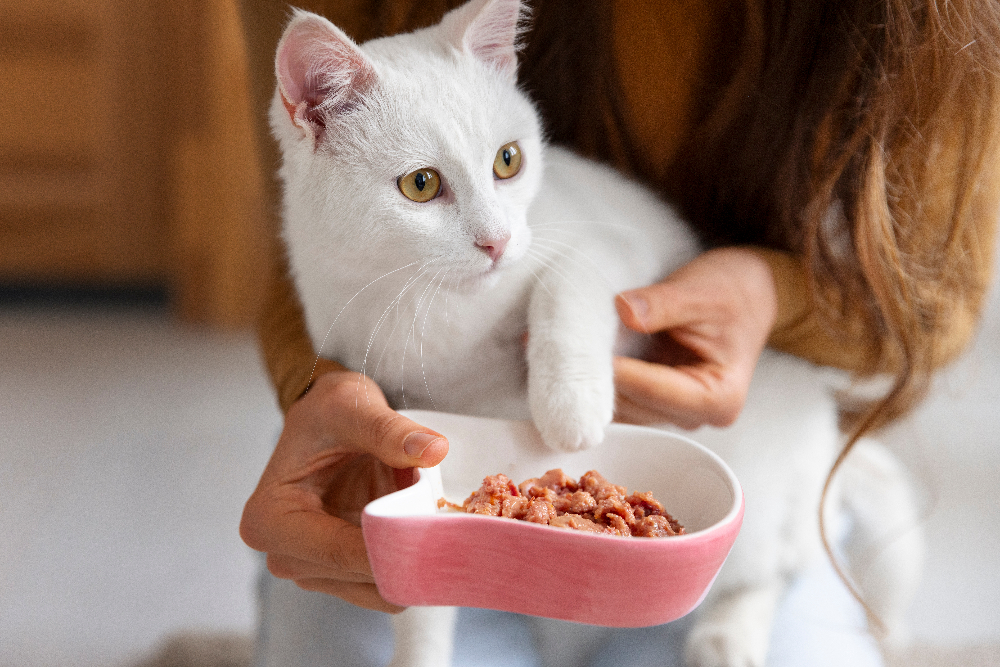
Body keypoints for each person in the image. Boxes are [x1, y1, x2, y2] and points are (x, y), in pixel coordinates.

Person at [236, 0, 1000, 664]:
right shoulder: (344, 162)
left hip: (703, 458)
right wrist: (319, 390)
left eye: (508, 162)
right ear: (313, 113)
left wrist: (773, 293)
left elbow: (939, 300)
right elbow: (413, 477)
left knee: (750, 580)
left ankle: (757, 591)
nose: (497, 234)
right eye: (423, 185)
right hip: (498, 507)